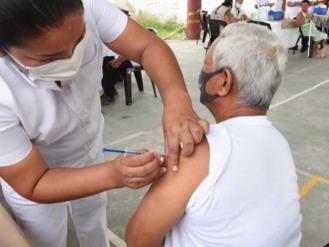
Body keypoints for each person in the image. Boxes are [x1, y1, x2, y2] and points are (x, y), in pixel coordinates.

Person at [0, 0, 209, 246]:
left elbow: (147, 47)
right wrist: (112, 174)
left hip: (90, 146)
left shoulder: (88, 8)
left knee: (93, 216)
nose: (71, 59)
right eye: (50, 58)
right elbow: (33, 182)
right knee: (44, 239)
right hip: (37, 173)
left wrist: (177, 102)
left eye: (80, 40)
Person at [126, 23, 302, 247]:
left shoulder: (201, 149)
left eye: (205, 66)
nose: (202, 74)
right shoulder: (279, 142)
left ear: (223, 82)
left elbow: (138, 237)